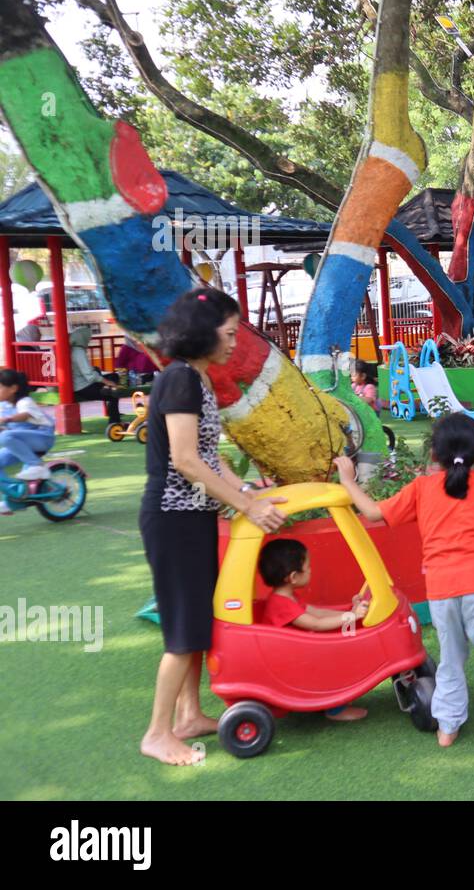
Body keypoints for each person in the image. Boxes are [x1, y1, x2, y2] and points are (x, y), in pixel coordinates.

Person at [333, 413, 474, 766]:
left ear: (434, 454)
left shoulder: (421, 488)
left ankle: (448, 728)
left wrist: (348, 481)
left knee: (451, 660)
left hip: (441, 590)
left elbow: (372, 513)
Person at [139, 288, 288, 767]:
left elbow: (211, 458)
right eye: (227, 334)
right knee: (183, 631)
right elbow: (184, 460)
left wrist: (249, 495)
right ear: (202, 333)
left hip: (192, 516)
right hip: (172, 518)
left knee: (196, 624)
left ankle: (187, 715)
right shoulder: (180, 380)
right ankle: (158, 732)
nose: (232, 343)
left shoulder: (196, 380)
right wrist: (246, 508)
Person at [256, 538, 370, 721]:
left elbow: (317, 613)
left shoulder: (287, 597)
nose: (310, 570)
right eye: (308, 566)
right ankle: (335, 710)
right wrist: (352, 617)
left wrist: (349, 610)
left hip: (295, 654)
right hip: (290, 662)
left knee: (334, 648)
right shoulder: (281, 604)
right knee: (332, 659)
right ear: (293, 577)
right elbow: (315, 624)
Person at [0, 369, 57, 511]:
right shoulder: (4, 405)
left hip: (43, 438)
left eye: (0, 387)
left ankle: (36, 465)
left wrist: (6, 420)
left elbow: (24, 415)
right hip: (21, 443)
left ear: (13, 388)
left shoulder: (25, 401)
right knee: (6, 437)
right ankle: (15, 496)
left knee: (7, 437)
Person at [68, 324, 123, 425]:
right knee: (113, 395)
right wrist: (108, 382)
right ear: (83, 338)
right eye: (88, 338)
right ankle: (114, 422)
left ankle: (107, 388)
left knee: (113, 376)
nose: (89, 341)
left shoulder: (72, 350)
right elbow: (90, 375)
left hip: (79, 385)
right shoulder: (78, 352)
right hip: (84, 388)